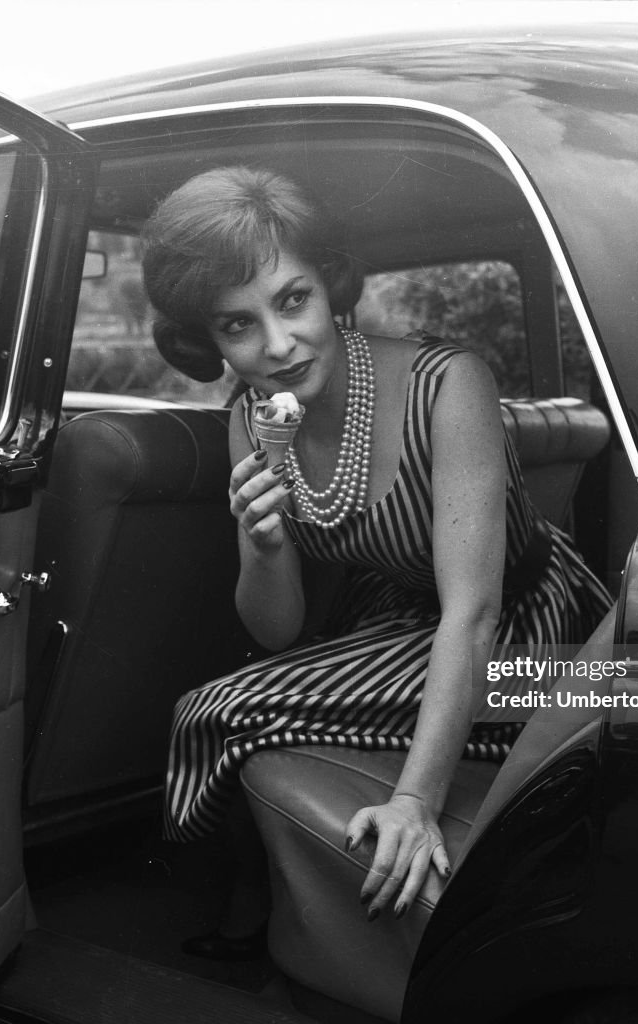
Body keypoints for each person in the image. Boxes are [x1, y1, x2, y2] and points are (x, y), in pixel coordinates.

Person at [141, 165, 610, 956]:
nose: (278, 345)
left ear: (330, 286)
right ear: (209, 339)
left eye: (292, 300)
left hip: (528, 637)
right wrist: (264, 545)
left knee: (212, 713)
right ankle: (243, 922)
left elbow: (475, 611)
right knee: (207, 709)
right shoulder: (249, 423)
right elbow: (278, 628)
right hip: (399, 622)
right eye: (237, 325)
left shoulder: (448, 383)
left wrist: (414, 801)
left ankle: (236, 922)